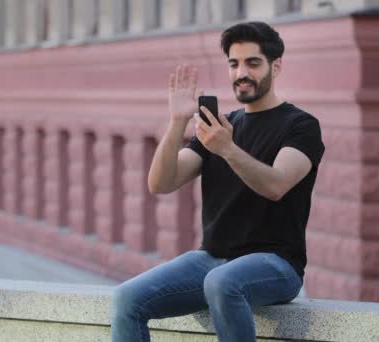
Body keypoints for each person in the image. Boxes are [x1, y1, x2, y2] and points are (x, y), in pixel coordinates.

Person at [110, 21, 325, 342]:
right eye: (234, 64)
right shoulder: (220, 127)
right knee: (126, 299)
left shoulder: (300, 125)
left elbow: (277, 185)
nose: (241, 73)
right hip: (211, 259)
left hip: (276, 264)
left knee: (223, 282)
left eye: (253, 63)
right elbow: (161, 183)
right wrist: (177, 122)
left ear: (275, 66)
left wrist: (227, 148)